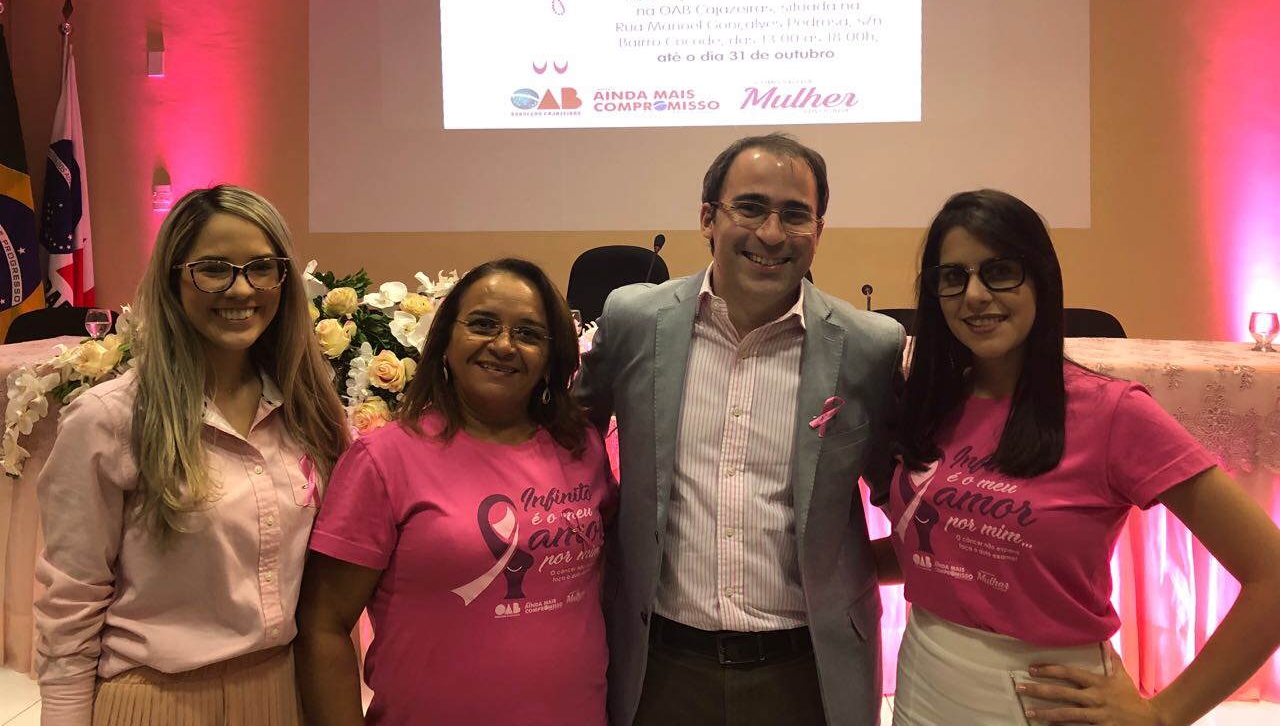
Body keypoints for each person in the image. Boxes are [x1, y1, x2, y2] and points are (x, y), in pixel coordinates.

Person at [886, 189, 1280, 725]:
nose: (974, 295)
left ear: (1041, 279)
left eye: (999, 271)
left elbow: (1270, 574)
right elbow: (929, 548)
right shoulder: (935, 404)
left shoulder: (1113, 413)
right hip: (922, 684)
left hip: (1044, 701)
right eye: (952, 277)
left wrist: (1165, 715)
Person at [575, 134, 904, 726]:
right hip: (658, 667)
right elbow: (563, 447)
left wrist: (847, 576)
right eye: (750, 207)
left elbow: (915, 507)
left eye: (795, 214)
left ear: (818, 230)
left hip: (809, 674)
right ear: (708, 217)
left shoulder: (867, 347)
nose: (772, 234)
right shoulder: (634, 321)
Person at [34, 185, 349, 726]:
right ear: (173, 278)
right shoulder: (109, 419)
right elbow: (72, 597)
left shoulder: (311, 413)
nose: (241, 288)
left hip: (284, 692)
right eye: (213, 269)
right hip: (157, 699)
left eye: (261, 268)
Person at [294, 258, 616, 726]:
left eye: (528, 333)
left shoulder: (581, 446)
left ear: (553, 356)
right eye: (483, 324)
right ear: (445, 339)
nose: (503, 345)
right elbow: (323, 625)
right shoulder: (385, 459)